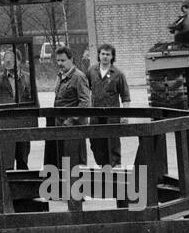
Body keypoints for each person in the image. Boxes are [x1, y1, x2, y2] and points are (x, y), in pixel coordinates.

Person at [46, 43, 91, 181]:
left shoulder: (78, 77)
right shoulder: (61, 77)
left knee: (75, 161)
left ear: (71, 60)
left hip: (74, 127)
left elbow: (85, 102)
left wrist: (71, 120)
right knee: (63, 161)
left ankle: (78, 193)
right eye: (58, 60)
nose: (60, 63)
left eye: (63, 60)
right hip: (61, 127)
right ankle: (66, 191)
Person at [87, 43, 131, 167]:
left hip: (112, 115)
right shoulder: (91, 71)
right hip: (95, 114)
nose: (105, 57)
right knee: (95, 142)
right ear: (99, 55)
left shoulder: (118, 74)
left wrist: (125, 115)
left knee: (112, 142)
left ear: (112, 57)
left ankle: (115, 166)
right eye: (103, 54)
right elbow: (85, 90)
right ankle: (102, 165)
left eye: (108, 54)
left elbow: (125, 96)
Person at [0, 47, 34, 168]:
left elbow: (33, 101)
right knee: (6, 161)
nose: (8, 62)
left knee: (23, 159)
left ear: (19, 61)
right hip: (6, 125)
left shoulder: (27, 78)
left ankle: (24, 183)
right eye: (6, 59)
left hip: (23, 124)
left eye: (11, 59)